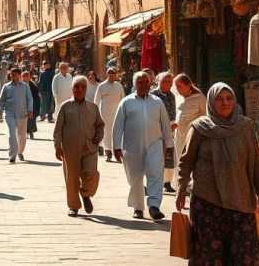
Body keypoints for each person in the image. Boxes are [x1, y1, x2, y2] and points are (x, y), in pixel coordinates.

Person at [175, 83, 259, 265]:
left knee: (245, 254)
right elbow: (186, 162)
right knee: (210, 255)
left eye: (229, 98)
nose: (225, 103)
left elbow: (256, 162)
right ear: (211, 101)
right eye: (219, 99)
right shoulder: (199, 128)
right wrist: (181, 189)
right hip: (207, 202)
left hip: (241, 200)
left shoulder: (245, 126)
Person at [112, 71, 174, 221]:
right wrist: (116, 146)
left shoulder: (157, 102)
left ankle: (154, 206)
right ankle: (138, 207)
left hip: (155, 145)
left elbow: (165, 124)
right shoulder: (126, 102)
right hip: (132, 147)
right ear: (134, 85)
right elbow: (118, 126)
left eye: (146, 82)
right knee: (135, 178)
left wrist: (169, 144)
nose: (144, 85)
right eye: (140, 82)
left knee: (155, 174)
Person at [54, 76, 105, 217]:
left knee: (92, 173)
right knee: (71, 179)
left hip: (89, 148)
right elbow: (58, 129)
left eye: (83, 87)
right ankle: (73, 206)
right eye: (77, 86)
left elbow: (100, 125)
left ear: (86, 89)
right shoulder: (65, 107)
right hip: (69, 149)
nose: (80, 89)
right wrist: (57, 146)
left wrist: (97, 138)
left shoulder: (93, 107)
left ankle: (86, 194)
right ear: (72, 89)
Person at [172, 73, 206, 192]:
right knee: (179, 161)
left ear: (189, 85)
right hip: (179, 134)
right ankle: (181, 187)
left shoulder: (200, 98)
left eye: (180, 86)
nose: (177, 89)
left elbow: (205, 116)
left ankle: (191, 186)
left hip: (192, 136)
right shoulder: (179, 97)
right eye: (176, 87)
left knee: (191, 161)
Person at [0, 66, 33, 163]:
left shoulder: (25, 86)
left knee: (22, 135)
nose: (13, 76)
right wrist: (0, 111)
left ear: (19, 76)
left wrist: (30, 110)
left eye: (15, 75)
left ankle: (20, 152)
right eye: (11, 75)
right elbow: (1, 100)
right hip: (9, 113)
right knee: (11, 133)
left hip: (22, 114)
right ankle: (13, 154)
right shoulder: (6, 86)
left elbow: (30, 99)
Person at [152, 72, 178, 193]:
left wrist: (172, 124)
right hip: (156, 131)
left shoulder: (172, 96)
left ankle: (167, 183)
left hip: (170, 131)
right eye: (164, 81)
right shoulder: (153, 95)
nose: (167, 84)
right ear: (159, 81)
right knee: (155, 158)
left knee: (169, 156)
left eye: (169, 82)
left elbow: (172, 113)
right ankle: (151, 184)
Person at [94, 66, 125, 162]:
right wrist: (96, 113)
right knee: (107, 133)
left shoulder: (119, 86)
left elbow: (123, 98)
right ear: (107, 75)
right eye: (109, 74)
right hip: (105, 113)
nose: (111, 76)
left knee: (118, 132)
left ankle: (117, 153)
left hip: (117, 113)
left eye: (113, 74)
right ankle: (108, 152)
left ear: (115, 75)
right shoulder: (101, 86)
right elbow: (97, 100)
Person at [22, 70, 41, 139]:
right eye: (25, 76)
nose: (27, 78)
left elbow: (36, 97)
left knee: (31, 119)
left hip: (32, 105)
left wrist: (36, 106)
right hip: (23, 105)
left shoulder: (32, 85)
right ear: (23, 77)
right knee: (24, 120)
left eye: (28, 76)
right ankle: (25, 132)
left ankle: (31, 131)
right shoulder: (21, 85)